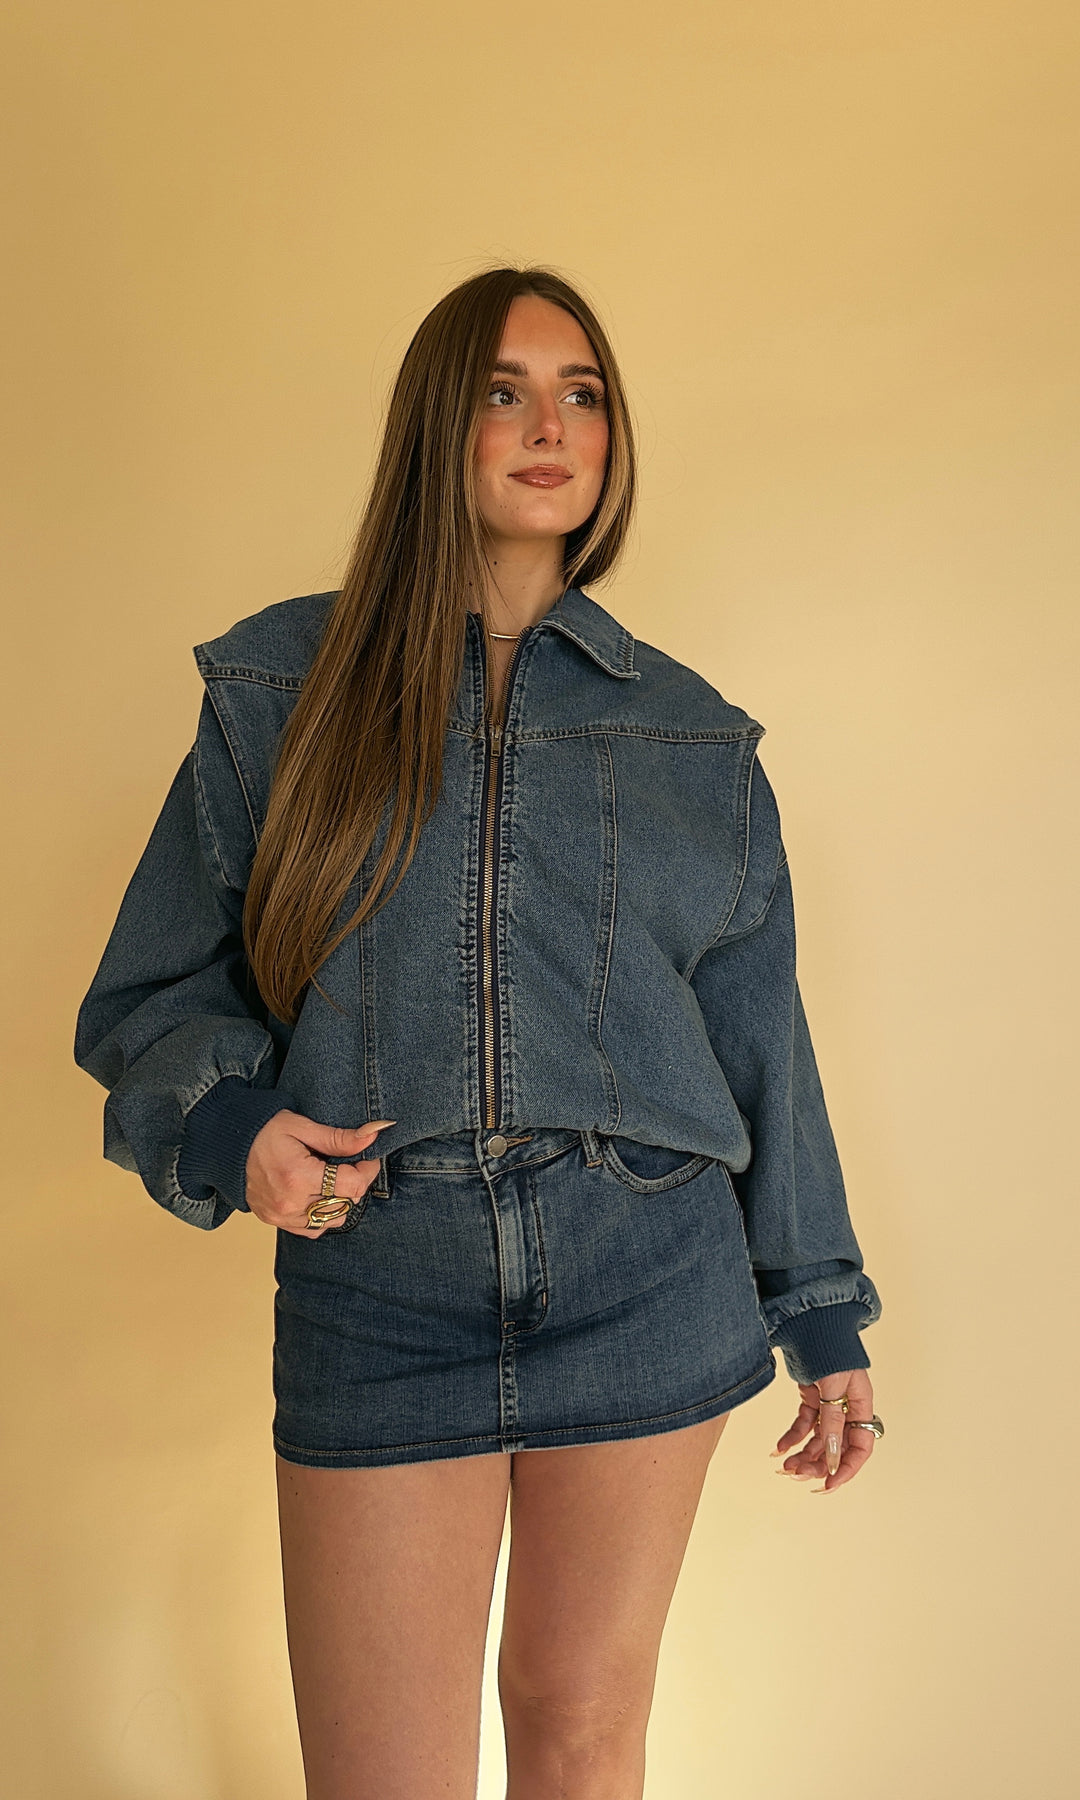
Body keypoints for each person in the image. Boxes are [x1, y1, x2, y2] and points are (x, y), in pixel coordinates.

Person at [74, 264, 884, 1800]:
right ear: (436, 427)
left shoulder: (693, 739)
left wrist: (822, 1313)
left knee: (583, 1745)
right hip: (381, 1275)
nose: (550, 426)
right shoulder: (282, 690)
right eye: (505, 392)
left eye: (583, 395)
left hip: (645, 1268)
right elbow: (150, 991)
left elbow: (760, 1042)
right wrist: (237, 1130)